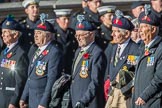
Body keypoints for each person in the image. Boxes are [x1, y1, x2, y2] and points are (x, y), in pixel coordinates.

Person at [19, 13, 63, 108]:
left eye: (39, 33)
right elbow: (30, 77)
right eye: (35, 33)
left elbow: (52, 79)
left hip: (42, 100)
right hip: (32, 99)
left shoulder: (54, 52)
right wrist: (24, 97)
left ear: (48, 36)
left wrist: (44, 102)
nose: (35, 36)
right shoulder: (37, 50)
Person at [105, 10, 140, 108]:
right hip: (112, 93)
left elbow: (136, 75)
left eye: (117, 31)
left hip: (125, 96)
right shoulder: (114, 47)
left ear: (127, 34)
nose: (113, 34)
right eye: (113, 31)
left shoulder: (135, 50)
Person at [70, 15, 106, 108]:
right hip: (76, 99)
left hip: (89, 102)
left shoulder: (96, 53)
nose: (78, 38)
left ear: (91, 35)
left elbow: (95, 81)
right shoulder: (78, 51)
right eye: (76, 35)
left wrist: (84, 101)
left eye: (81, 35)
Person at [133, 4, 162, 108]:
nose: (140, 31)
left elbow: (159, 79)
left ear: (153, 30)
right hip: (139, 102)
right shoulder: (141, 48)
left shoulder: (160, 49)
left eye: (143, 27)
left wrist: (144, 96)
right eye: (139, 27)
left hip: (153, 102)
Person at [0, 15, 28, 108]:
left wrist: (14, 101)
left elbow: (20, 81)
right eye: (2, 32)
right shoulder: (4, 52)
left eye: (5, 32)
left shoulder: (20, 54)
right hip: (2, 97)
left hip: (10, 99)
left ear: (15, 34)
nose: (2, 35)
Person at [53, 9, 78, 74]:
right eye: (64, 19)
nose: (67, 21)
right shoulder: (53, 34)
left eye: (68, 19)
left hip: (71, 68)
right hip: (58, 68)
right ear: (58, 20)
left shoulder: (73, 33)